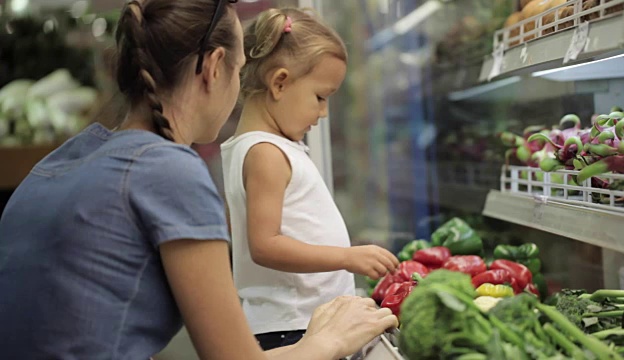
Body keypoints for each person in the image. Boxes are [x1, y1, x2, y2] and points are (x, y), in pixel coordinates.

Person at [0, 1, 397, 359]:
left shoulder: (65, 159)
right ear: (212, 67)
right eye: (239, 71)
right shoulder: (170, 172)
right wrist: (330, 340)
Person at [221, 8, 399, 351]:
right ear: (280, 82)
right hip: (293, 327)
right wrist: (348, 257)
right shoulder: (266, 153)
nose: (323, 112)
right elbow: (264, 245)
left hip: (301, 322)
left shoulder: (268, 148)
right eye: (320, 97)